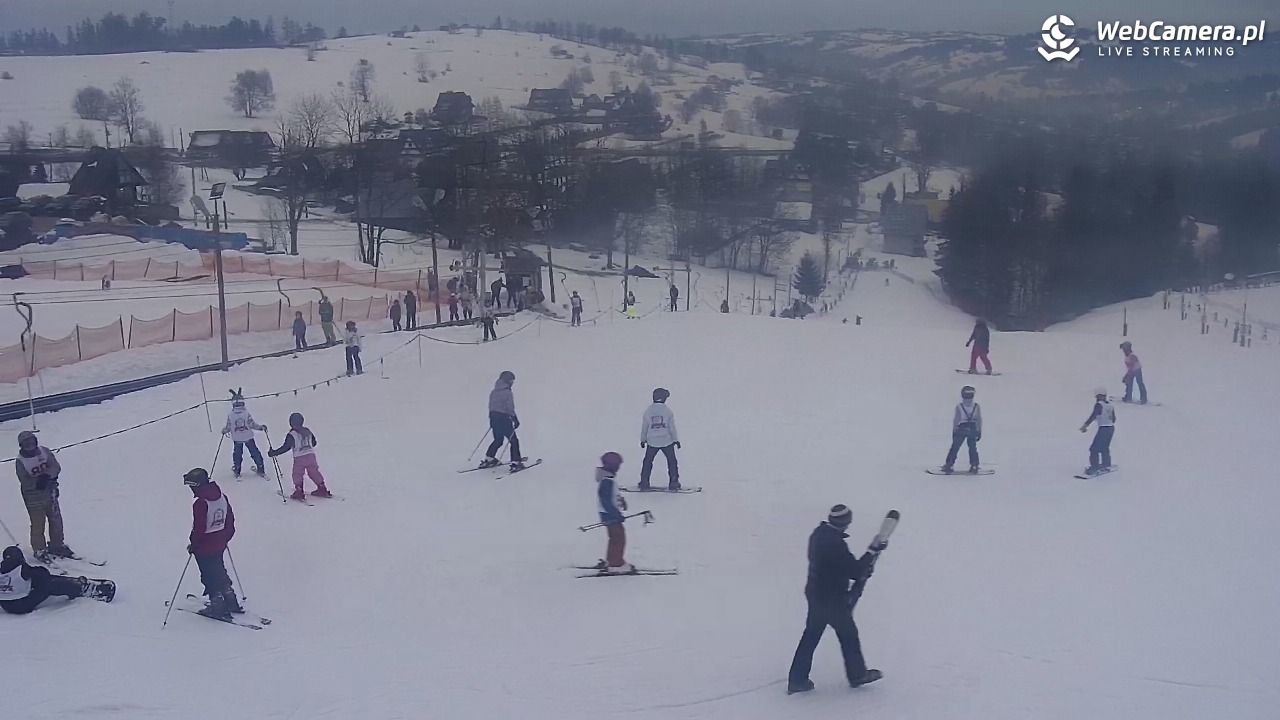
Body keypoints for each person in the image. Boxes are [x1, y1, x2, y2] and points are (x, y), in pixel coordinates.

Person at [787, 505, 883, 695]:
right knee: (848, 635)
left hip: (816, 594)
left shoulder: (818, 534)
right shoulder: (835, 544)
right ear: (846, 522)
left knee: (811, 636)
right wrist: (872, 551)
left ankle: (797, 679)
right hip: (832, 600)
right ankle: (857, 675)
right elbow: (855, 570)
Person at [183, 468, 241, 620]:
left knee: (208, 573)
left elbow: (199, 527)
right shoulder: (222, 497)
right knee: (218, 569)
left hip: (205, 545)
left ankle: (217, 604)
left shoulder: (201, 503)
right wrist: (226, 537)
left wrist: (194, 543)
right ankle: (230, 598)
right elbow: (229, 519)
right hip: (219, 541)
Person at [0, 546, 113, 614]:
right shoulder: (21, 567)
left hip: (7, 606)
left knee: (38, 581)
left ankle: (74, 584)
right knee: (48, 584)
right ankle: (83, 589)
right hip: (23, 603)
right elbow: (42, 573)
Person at [14, 431, 72, 562]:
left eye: (31, 441)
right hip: (33, 496)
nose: (30, 445)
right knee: (38, 523)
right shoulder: (20, 461)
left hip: (50, 491)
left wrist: (48, 476)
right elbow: (25, 481)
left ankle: (57, 544)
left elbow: (55, 466)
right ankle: (39, 549)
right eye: (26, 443)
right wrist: (38, 482)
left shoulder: (44, 451)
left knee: (56, 519)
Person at [268, 413, 331, 500]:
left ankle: (299, 491)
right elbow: (314, 443)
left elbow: (286, 447)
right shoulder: (307, 431)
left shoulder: (292, 434)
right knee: (314, 472)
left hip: (299, 457)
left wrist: (274, 453)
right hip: (311, 456)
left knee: (297, 474)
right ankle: (322, 487)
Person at [596, 452, 633, 574]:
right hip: (610, 515)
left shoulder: (608, 480)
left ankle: (611, 560)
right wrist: (616, 514)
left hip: (609, 514)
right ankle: (616, 564)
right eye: (618, 465)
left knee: (614, 537)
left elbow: (612, 496)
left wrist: (621, 502)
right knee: (618, 538)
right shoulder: (607, 481)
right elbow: (606, 501)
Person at [480, 371, 524, 471]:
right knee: (513, 440)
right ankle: (516, 462)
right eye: (511, 381)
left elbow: (491, 406)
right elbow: (509, 407)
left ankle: (489, 458)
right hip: (504, 418)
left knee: (498, 439)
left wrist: (493, 418)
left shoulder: (494, 392)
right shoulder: (507, 392)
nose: (512, 383)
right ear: (507, 381)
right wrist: (515, 419)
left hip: (493, 417)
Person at [639, 388, 681, 491]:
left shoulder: (648, 411)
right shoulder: (668, 411)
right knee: (672, 461)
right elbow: (672, 427)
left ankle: (644, 481)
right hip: (666, 441)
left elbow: (645, 427)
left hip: (652, 441)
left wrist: (643, 439)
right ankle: (674, 481)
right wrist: (675, 440)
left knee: (648, 462)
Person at [221, 391, 266, 478]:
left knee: (237, 454)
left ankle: (237, 469)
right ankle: (260, 467)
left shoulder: (231, 415)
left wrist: (224, 430)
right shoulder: (246, 413)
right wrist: (260, 427)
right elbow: (252, 424)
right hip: (248, 437)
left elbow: (229, 427)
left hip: (237, 439)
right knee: (254, 452)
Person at [941, 386, 982, 474]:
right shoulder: (976, 406)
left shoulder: (959, 406)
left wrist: (954, 431)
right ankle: (974, 465)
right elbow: (979, 419)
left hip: (961, 428)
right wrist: (979, 431)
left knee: (955, 447)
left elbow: (956, 420)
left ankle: (949, 464)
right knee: (972, 447)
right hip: (972, 427)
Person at [1080, 387, 1116, 475]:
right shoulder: (1110, 405)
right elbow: (1114, 419)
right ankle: (1106, 463)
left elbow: (1093, 415)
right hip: (1111, 428)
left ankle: (1094, 467)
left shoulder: (1099, 405)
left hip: (1103, 428)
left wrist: (1085, 425)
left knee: (1093, 449)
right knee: (1104, 447)